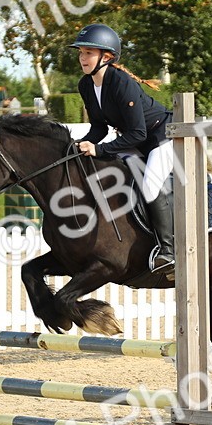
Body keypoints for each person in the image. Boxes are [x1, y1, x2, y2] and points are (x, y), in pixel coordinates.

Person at [70, 23, 177, 278]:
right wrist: (79, 145)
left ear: (106, 57)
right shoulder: (86, 85)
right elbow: (99, 128)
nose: (82, 57)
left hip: (161, 136)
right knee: (115, 177)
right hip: (135, 140)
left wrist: (99, 150)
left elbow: (138, 133)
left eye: (88, 52)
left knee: (149, 186)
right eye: (81, 52)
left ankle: (168, 251)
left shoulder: (121, 83)